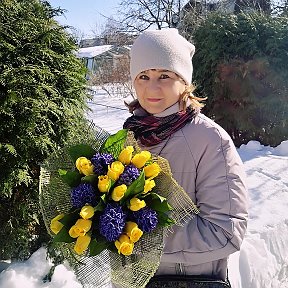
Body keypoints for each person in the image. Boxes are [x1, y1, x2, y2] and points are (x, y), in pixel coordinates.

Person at [122, 28, 248, 286]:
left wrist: (136, 235)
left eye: (164, 75)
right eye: (143, 76)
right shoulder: (128, 138)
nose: (152, 87)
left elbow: (226, 231)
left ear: (184, 81)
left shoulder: (210, 139)